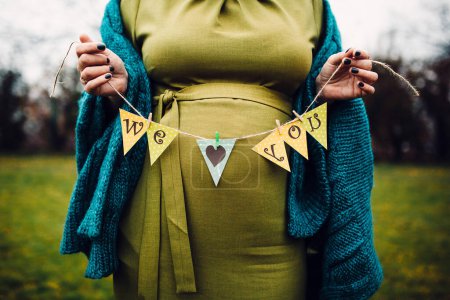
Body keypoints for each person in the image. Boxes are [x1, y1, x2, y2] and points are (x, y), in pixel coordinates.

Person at [61, 0, 383, 299]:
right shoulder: (132, 4)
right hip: (156, 231)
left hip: (277, 236)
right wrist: (120, 88)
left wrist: (322, 89)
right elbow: (121, 108)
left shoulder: (310, 5)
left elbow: (315, 109)